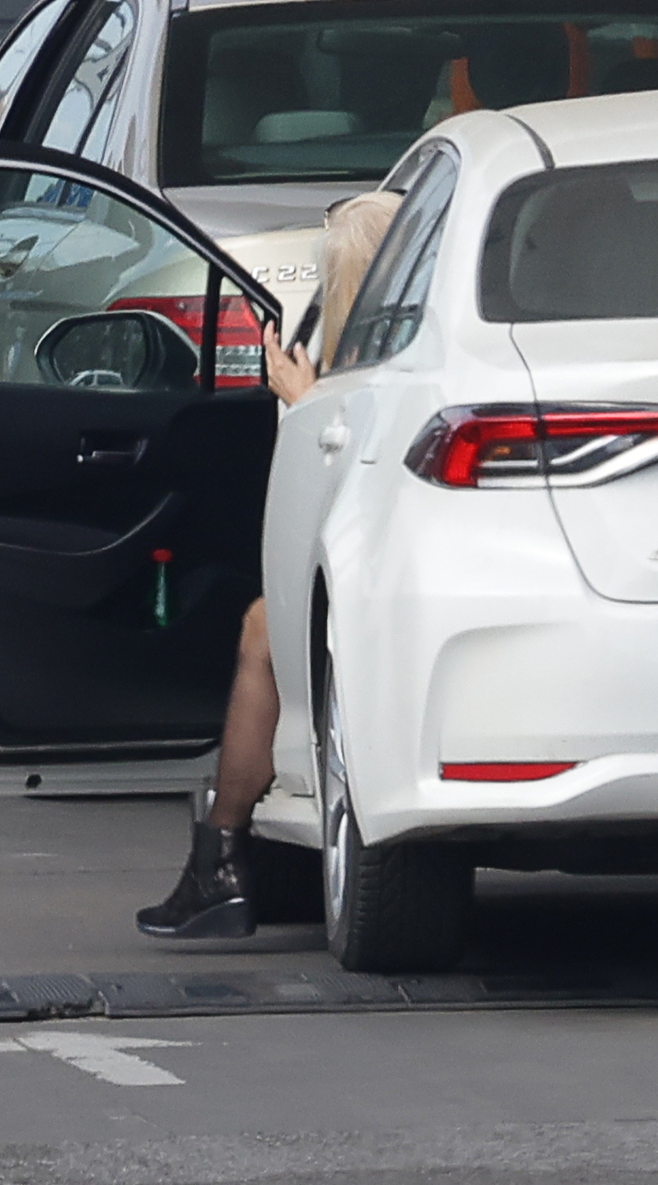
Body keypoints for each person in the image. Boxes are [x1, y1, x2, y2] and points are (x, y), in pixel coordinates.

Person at [136, 189, 402, 940]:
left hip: (393, 584)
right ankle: (222, 853)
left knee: (263, 627)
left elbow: (340, 498)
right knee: (260, 623)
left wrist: (308, 400)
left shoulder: (364, 379)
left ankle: (220, 856)